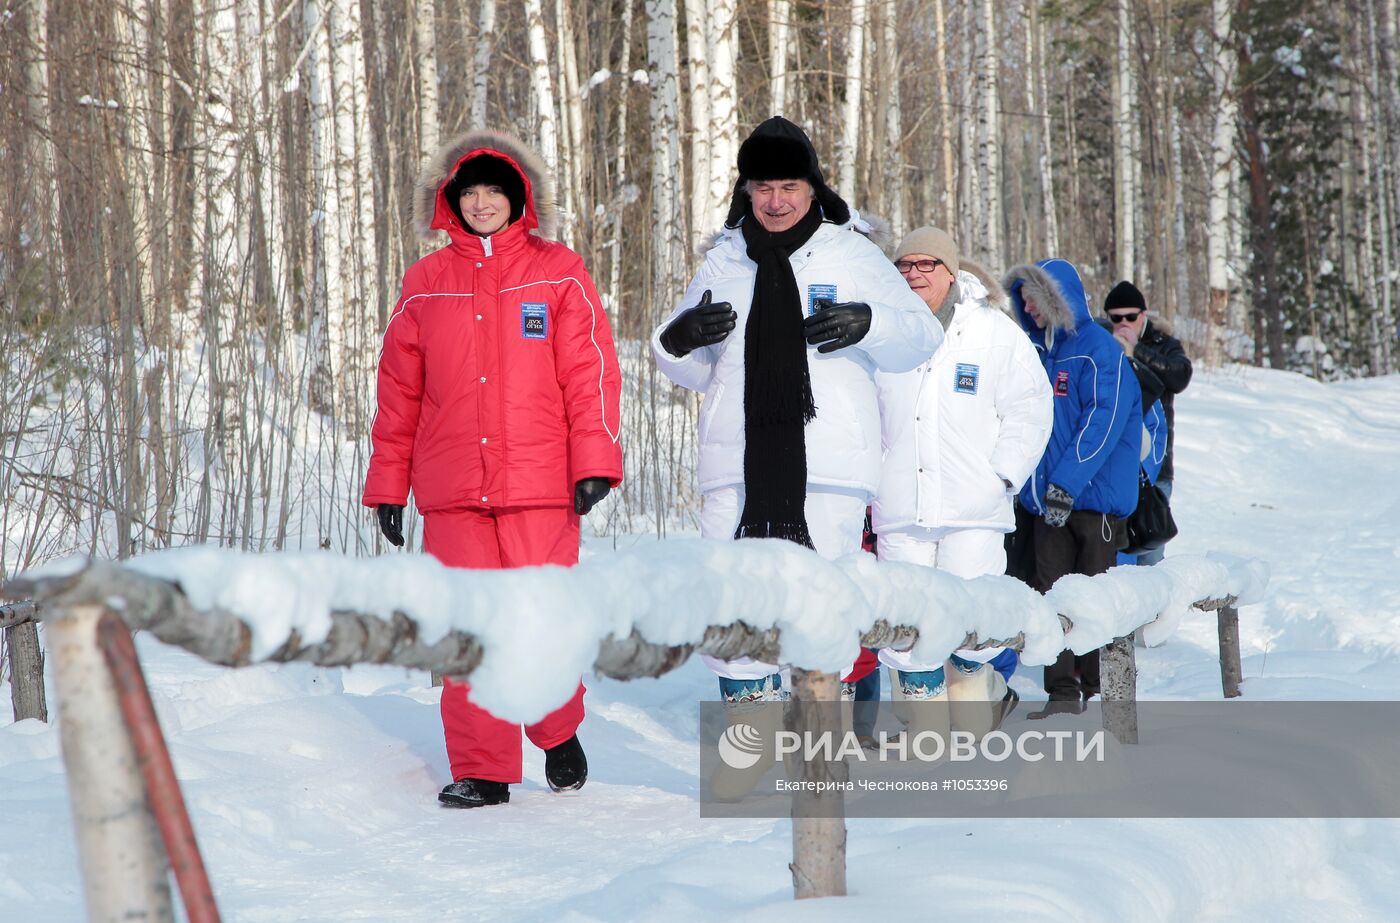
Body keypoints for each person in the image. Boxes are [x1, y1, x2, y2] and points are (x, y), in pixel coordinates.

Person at [363, 129, 623, 808]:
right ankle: (483, 768)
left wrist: (593, 459)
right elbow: (399, 393)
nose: (481, 203)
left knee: (538, 619)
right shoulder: (424, 283)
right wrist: (389, 483)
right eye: (468, 192)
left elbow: (589, 371)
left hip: (540, 484)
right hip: (451, 490)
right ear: (450, 202)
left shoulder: (559, 270)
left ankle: (556, 729)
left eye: (493, 191)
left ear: (519, 199)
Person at [652, 116, 942, 709]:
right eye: (763, 188)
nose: (776, 201)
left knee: (820, 613)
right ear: (746, 192)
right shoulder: (724, 262)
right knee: (729, 609)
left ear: (813, 189)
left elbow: (920, 337)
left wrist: (872, 322)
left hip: (830, 466)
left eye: (788, 187)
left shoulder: (854, 255)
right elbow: (693, 367)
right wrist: (677, 340)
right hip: (735, 465)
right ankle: (750, 750)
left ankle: (815, 769)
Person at [872, 227, 1053, 736]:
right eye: (904, 266)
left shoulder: (993, 332)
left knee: (973, 627)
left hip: (973, 511)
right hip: (901, 509)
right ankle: (924, 737)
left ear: (951, 272)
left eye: (925, 265)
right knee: (906, 630)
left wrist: (1002, 475)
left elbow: (1031, 408)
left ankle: (973, 727)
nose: (913, 275)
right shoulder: (883, 331)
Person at [1003, 260, 1140, 717]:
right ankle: (1062, 692)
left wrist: (1066, 483)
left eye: (1035, 296)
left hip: (1092, 502)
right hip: (1047, 505)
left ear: (1058, 297)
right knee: (1050, 594)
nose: (1027, 306)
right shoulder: (1036, 352)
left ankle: (1099, 687)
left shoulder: (1100, 350)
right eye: (1022, 298)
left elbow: (1102, 423)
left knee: (1094, 596)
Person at [1102, 281, 1193, 565]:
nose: (1124, 323)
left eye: (1130, 317)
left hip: (1156, 468)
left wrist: (1135, 351)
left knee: (1150, 550)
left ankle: (1154, 610)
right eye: (1116, 318)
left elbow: (1180, 377)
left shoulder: (1163, 344)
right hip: (1116, 471)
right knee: (1116, 556)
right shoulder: (1102, 342)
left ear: (1143, 315)